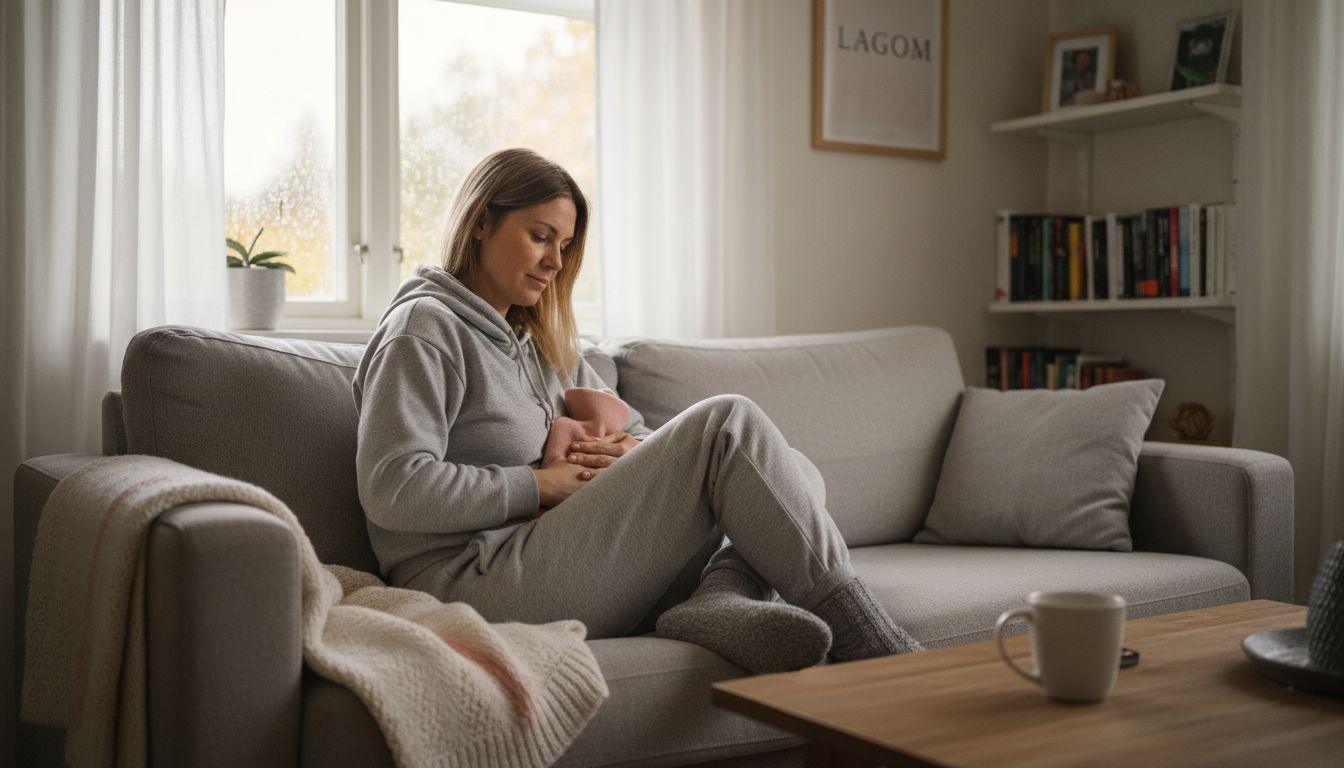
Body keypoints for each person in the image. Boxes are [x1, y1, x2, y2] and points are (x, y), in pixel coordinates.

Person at [352, 148, 921, 674]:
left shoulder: (537, 342)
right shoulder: (424, 329)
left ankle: (720, 600)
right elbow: (392, 487)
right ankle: (870, 645)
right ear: (480, 222)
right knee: (729, 423)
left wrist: (628, 448)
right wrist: (539, 484)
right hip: (470, 580)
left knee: (794, 467)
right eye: (540, 236)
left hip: (557, 553)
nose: (555, 260)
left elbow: (641, 434)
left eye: (566, 245)